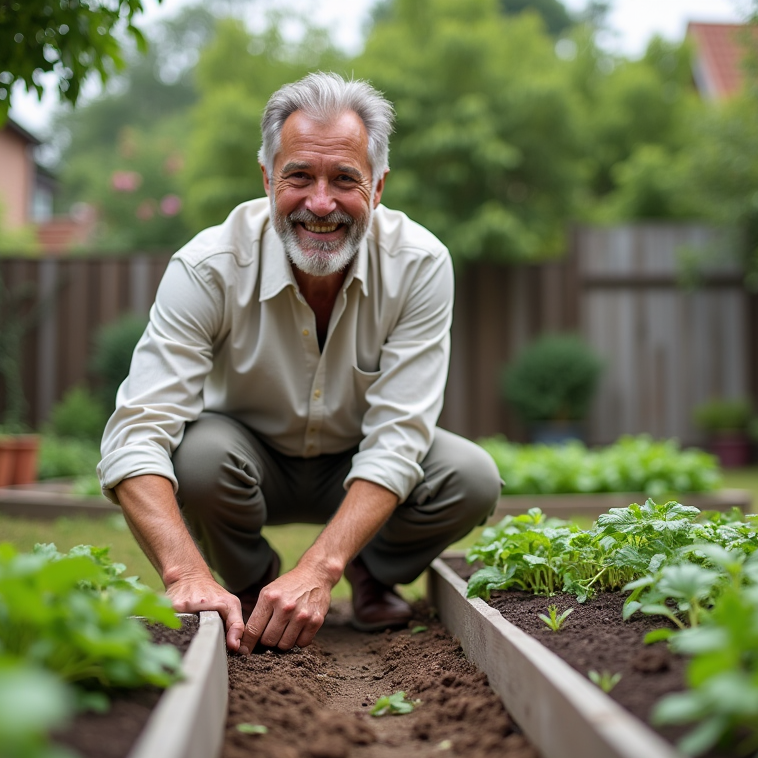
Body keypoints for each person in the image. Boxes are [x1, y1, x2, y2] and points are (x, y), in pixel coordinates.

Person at [98, 72, 501, 656]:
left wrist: (323, 567)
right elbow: (135, 434)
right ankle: (251, 586)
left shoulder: (420, 264)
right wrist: (184, 572)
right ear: (266, 179)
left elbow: (398, 438)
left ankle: (369, 572)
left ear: (379, 186)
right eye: (298, 177)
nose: (319, 203)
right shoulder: (208, 265)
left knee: (470, 477)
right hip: (246, 463)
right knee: (199, 457)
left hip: (355, 460)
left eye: (344, 179)